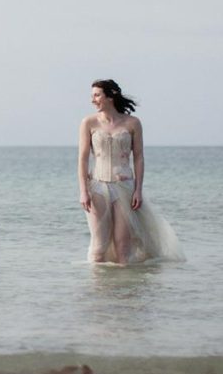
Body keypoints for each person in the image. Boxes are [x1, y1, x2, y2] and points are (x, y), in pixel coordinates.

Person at [78, 79, 184, 264]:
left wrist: (138, 189)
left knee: (123, 247)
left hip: (125, 187)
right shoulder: (89, 122)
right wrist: (83, 191)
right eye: (92, 96)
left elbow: (139, 157)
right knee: (98, 247)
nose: (93, 100)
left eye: (97, 95)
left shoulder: (133, 123)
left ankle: (125, 290)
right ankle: (97, 290)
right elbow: (83, 158)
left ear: (110, 96)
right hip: (97, 188)